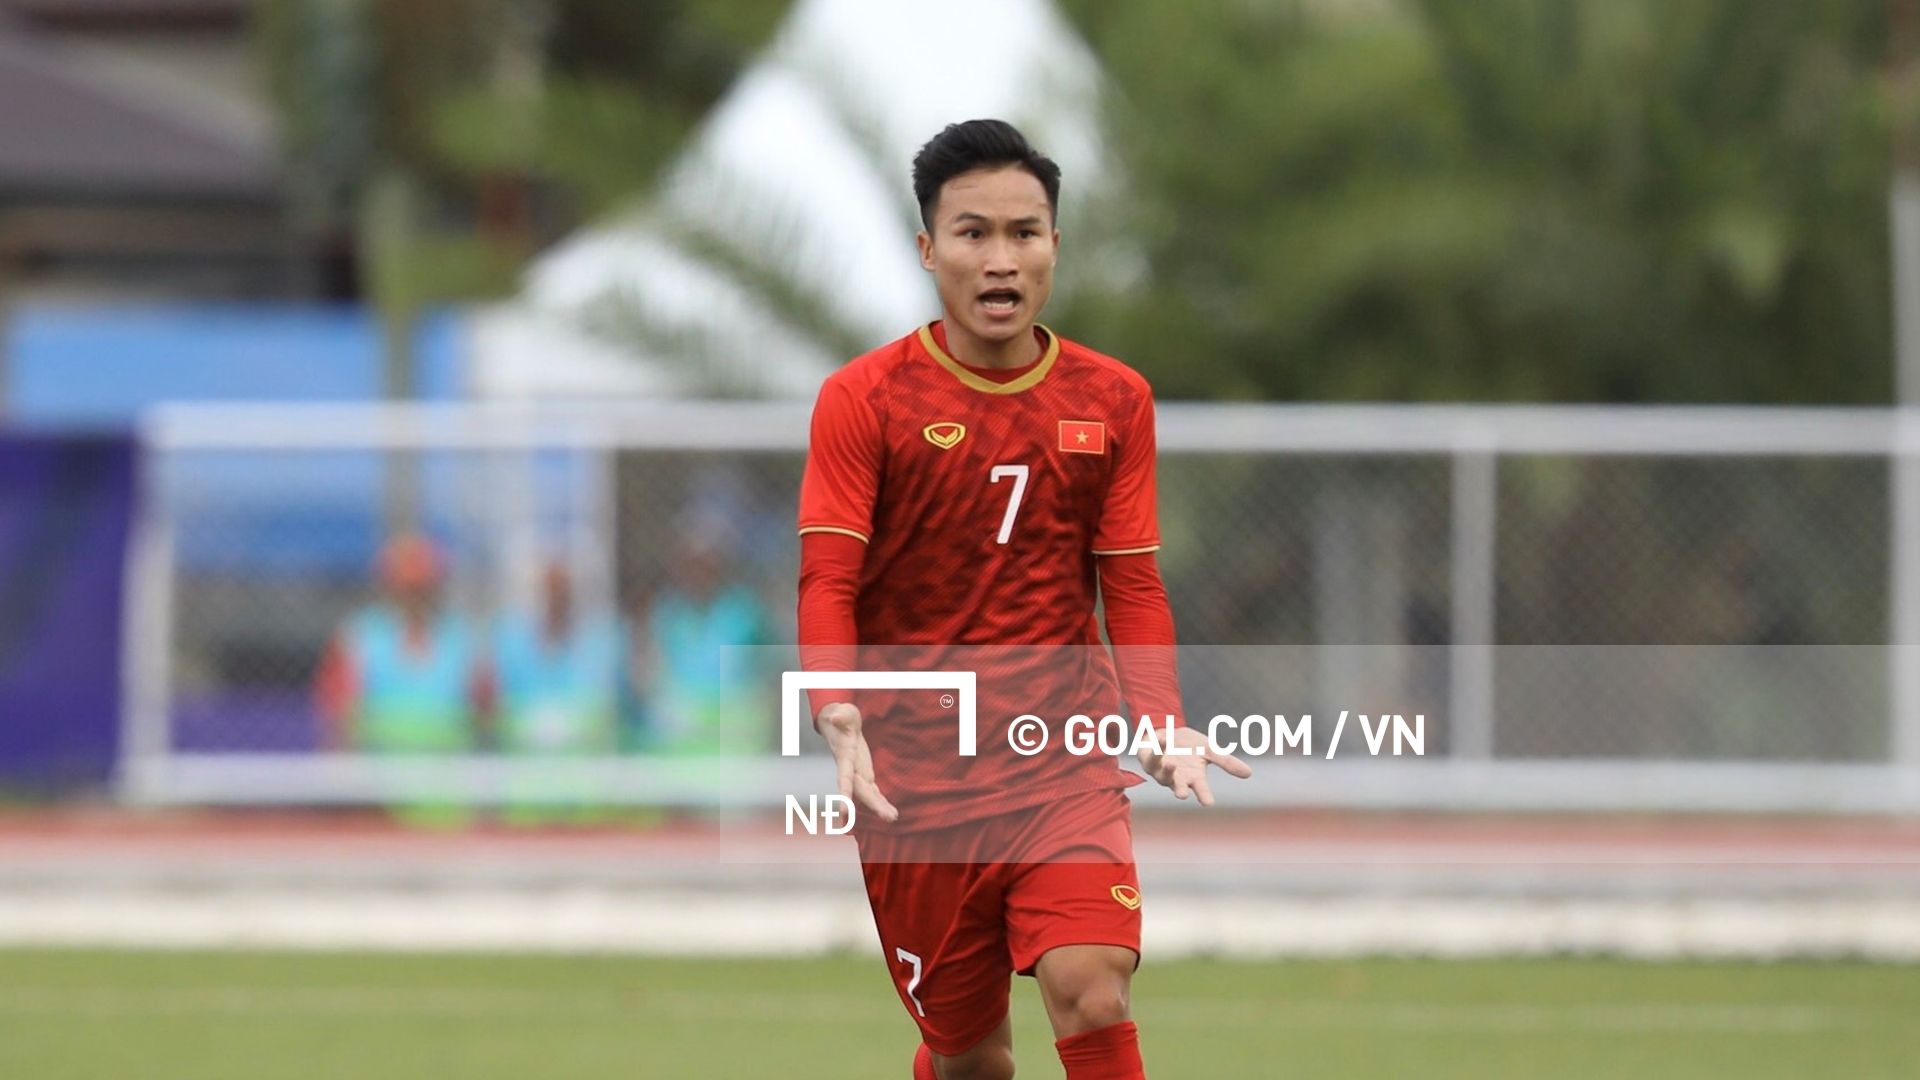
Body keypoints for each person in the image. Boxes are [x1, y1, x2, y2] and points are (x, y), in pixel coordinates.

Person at [796, 119, 1250, 1080]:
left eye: (1024, 232)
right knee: (968, 1056)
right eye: (972, 233)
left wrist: (1161, 721)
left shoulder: (1113, 398)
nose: (1000, 258)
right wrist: (835, 706)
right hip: (915, 785)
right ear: (928, 250)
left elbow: (1129, 581)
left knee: (1093, 986)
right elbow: (828, 575)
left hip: (1061, 763)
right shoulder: (864, 400)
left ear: (1054, 245)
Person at [314, 532, 484, 826]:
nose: (414, 594)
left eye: (422, 585)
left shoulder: (462, 640)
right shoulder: (361, 637)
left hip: (446, 799)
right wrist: (352, 787)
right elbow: (338, 714)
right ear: (390, 586)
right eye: (407, 585)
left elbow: (483, 712)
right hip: (379, 798)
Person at [486, 559, 627, 823]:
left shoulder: (600, 641)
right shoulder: (511, 639)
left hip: (584, 788)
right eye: (550, 591)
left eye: (563, 591)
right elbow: (498, 707)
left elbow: (604, 709)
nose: (556, 599)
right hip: (526, 787)